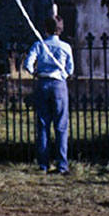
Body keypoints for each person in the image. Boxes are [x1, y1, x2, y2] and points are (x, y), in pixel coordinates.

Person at [23, 15, 74, 175]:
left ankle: (43, 164)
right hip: (59, 84)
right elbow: (70, 69)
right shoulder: (66, 47)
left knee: (43, 125)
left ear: (46, 29)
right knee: (61, 126)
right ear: (61, 29)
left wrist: (36, 72)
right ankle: (62, 165)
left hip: (43, 83)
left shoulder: (39, 45)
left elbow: (28, 64)